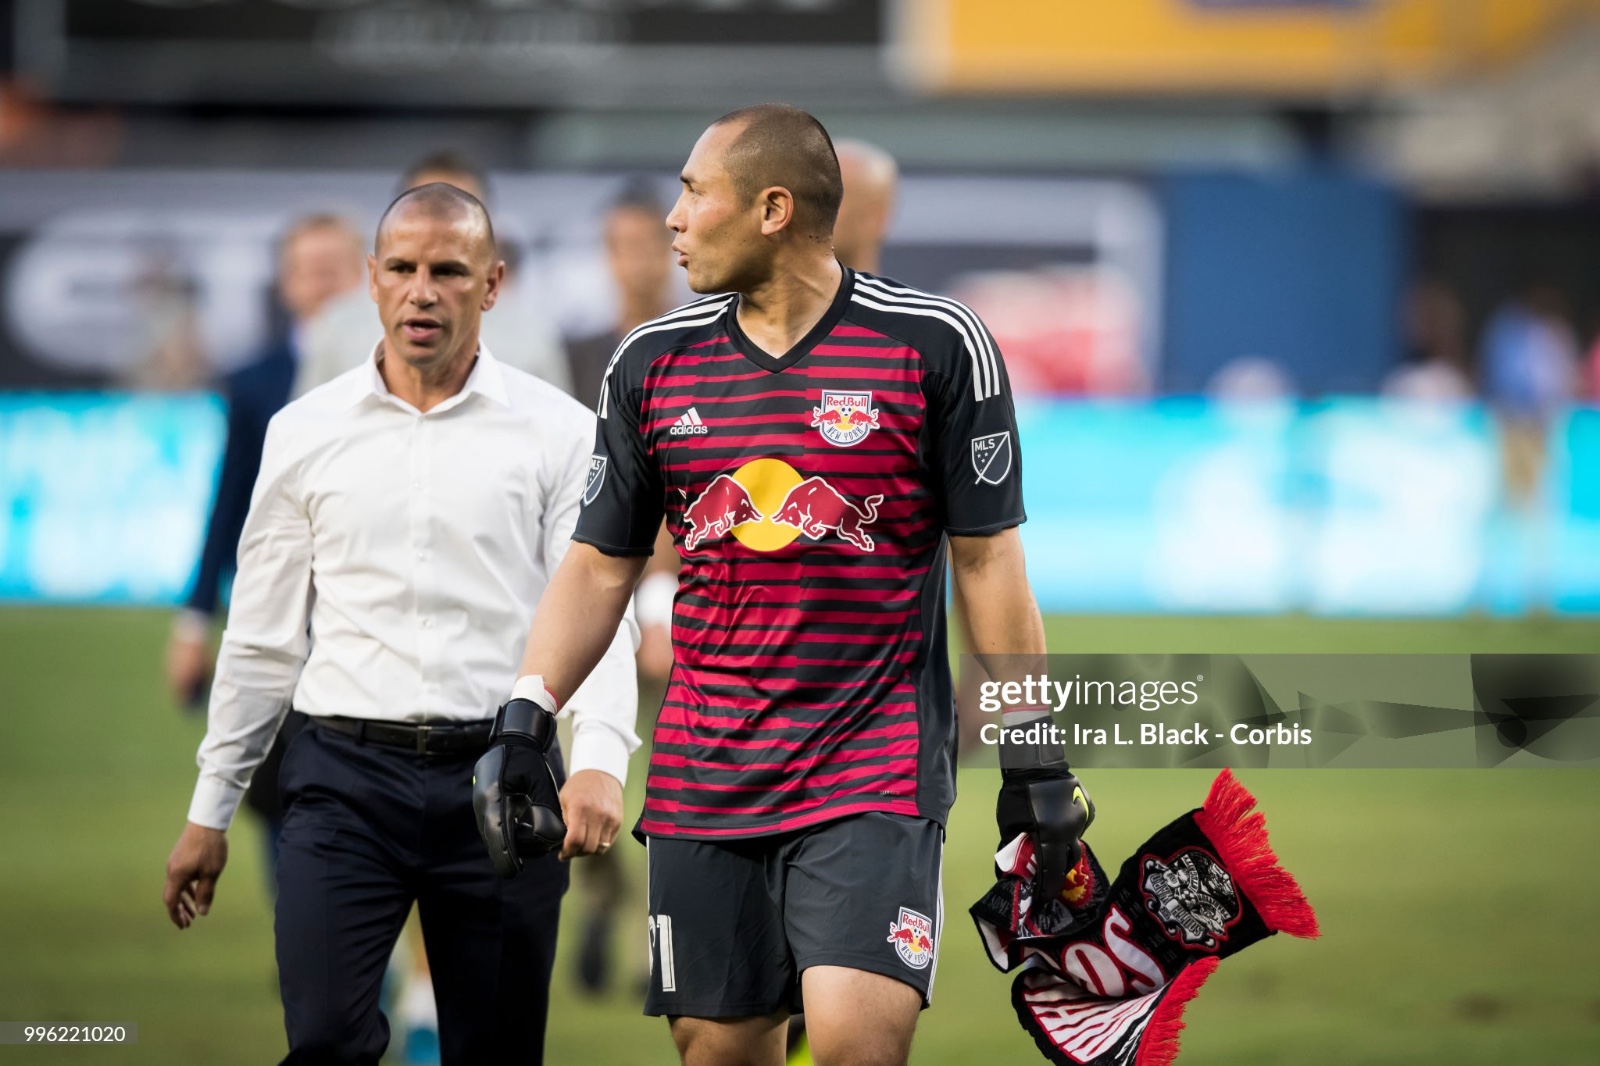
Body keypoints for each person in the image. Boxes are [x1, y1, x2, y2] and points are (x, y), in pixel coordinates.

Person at [476, 104, 1091, 1066]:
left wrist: (1034, 754)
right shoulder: (650, 363)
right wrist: (526, 711)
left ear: (771, 208)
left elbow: (988, 560)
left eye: (692, 192)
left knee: (855, 1044)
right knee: (720, 1056)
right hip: (703, 774)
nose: (673, 220)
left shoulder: (936, 345)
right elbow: (601, 563)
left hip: (873, 764)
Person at [162, 183, 640, 1065]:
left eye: (450, 271)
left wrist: (602, 759)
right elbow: (263, 637)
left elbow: (597, 608)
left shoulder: (561, 432)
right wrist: (209, 811)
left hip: (505, 779)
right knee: (324, 1043)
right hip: (341, 781)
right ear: (369, 283)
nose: (424, 290)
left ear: (491, 286)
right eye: (404, 269)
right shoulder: (302, 432)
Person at [165, 214, 366, 878]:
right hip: (286, 616)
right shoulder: (256, 383)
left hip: (366, 616)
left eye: (336, 265)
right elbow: (228, 507)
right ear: (286, 284)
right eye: (309, 268)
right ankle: (305, 944)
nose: (323, 281)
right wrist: (195, 620)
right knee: (279, 785)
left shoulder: (403, 371)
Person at [293, 151, 572, 398]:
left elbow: (557, 430)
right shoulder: (339, 328)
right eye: (424, 207)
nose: (439, 224)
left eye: (459, 211)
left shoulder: (531, 336)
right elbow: (308, 428)